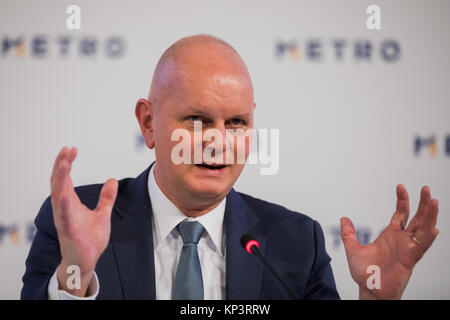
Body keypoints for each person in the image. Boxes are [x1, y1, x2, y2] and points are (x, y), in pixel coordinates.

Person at [21, 34, 439, 300]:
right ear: (149, 123)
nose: (218, 141)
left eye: (236, 122)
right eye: (197, 119)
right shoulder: (77, 221)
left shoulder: (296, 243)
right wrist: (75, 276)